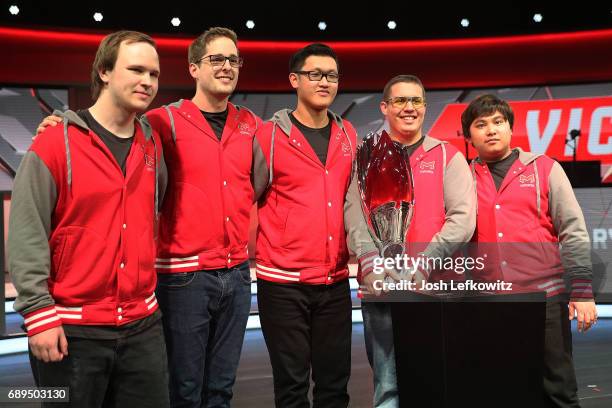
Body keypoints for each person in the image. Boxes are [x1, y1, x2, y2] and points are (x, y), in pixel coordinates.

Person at [35, 27, 260, 408]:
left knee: (221, 390)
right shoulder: (159, 123)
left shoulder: (252, 125)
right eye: (216, 59)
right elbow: (105, 124)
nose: (226, 67)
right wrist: (61, 121)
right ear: (193, 68)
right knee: (183, 390)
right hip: (183, 277)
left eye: (233, 60)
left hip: (236, 275)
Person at [8, 30, 169, 407]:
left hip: (142, 325)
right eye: (136, 70)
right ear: (104, 72)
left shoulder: (151, 143)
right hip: (70, 329)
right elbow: (26, 234)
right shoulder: (53, 143)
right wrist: (39, 315)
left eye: (154, 74)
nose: (147, 82)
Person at [344, 74, 476, 407]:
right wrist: (373, 264)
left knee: (440, 383)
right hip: (383, 291)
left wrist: (424, 262)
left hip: (437, 292)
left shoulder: (448, 156)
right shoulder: (366, 158)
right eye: (401, 100)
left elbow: (463, 220)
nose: (410, 108)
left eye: (416, 100)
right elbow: (354, 214)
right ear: (384, 107)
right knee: (388, 387)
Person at [461, 94, 597, 408]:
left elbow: (573, 231)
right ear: (469, 137)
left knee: (558, 391)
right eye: (481, 125)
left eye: (498, 122)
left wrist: (582, 291)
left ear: (510, 129)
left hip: (544, 300)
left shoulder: (545, 169)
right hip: (488, 301)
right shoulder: (461, 178)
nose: (491, 130)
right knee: (502, 390)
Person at [252, 43, 357, 408]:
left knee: (334, 386)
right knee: (292, 388)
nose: (324, 82)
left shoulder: (349, 136)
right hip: (282, 284)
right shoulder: (268, 136)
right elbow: (248, 194)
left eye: (331, 75)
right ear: (295, 80)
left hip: (335, 281)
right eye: (315, 74)